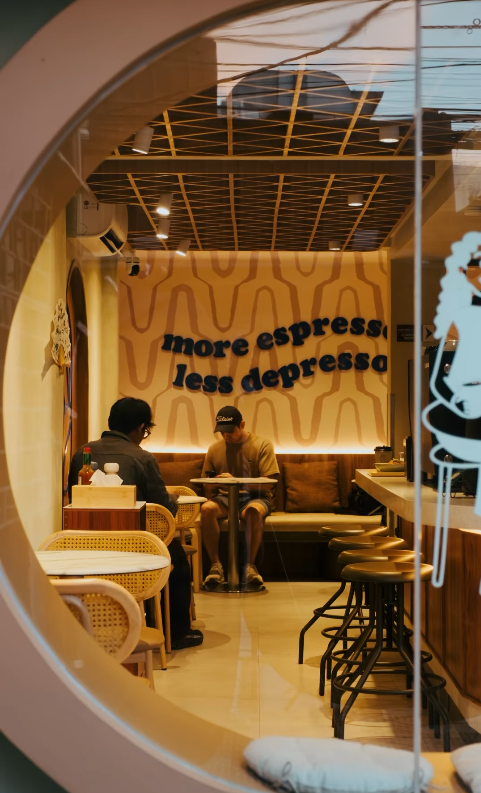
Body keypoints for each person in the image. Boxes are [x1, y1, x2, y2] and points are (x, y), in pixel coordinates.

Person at [68, 397, 203, 650]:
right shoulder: (143, 458)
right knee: (177, 563)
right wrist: (173, 500)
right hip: (136, 546)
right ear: (141, 427)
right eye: (146, 431)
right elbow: (163, 510)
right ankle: (176, 633)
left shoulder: (81, 453)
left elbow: (74, 497)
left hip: (85, 545)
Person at [200, 405, 279, 588]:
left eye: (230, 431)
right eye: (222, 432)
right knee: (207, 509)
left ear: (242, 425)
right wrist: (213, 484)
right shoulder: (214, 449)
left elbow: (268, 483)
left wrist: (236, 481)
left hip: (255, 497)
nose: (225, 435)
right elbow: (206, 481)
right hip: (224, 498)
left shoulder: (262, 445)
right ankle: (215, 566)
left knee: (253, 512)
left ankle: (250, 566)